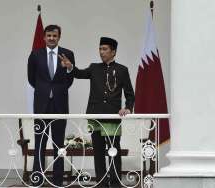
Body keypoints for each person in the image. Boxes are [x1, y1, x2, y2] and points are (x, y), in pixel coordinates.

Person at [59, 37, 135, 187]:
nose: (101, 52)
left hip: (113, 116)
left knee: (114, 150)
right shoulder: (94, 68)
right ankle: (101, 182)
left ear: (113, 52)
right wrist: (70, 67)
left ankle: (114, 182)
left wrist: (127, 108)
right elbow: (79, 73)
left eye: (105, 49)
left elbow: (130, 93)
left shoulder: (122, 70)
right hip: (95, 115)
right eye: (100, 49)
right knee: (98, 151)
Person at [27, 24, 75, 186]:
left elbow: (70, 79)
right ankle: (37, 180)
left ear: (59, 37)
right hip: (41, 105)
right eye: (49, 36)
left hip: (60, 105)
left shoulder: (67, 54)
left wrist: (69, 68)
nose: (52, 38)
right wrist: (45, 91)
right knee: (39, 142)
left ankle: (58, 181)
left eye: (54, 36)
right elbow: (31, 79)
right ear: (44, 37)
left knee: (59, 145)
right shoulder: (35, 54)